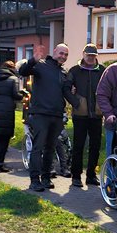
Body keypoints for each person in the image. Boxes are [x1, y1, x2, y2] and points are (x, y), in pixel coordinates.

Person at [18, 44, 76, 192]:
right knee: (38, 147)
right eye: (61, 53)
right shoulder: (41, 65)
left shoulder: (63, 72)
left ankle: (45, 178)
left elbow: (65, 92)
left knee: (50, 148)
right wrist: (32, 60)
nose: (63, 56)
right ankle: (34, 180)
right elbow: (22, 71)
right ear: (54, 51)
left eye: (66, 55)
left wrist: (77, 102)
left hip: (56, 115)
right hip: (41, 114)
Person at [67, 43, 105, 187]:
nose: (90, 58)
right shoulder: (75, 71)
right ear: (83, 54)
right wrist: (75, 103)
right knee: (78, 146)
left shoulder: (102, 70)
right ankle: (76, 176)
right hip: (80, 115)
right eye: (88, 55)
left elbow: (108, 89)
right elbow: (66, 88)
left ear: (96, 56)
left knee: (95, 146)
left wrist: (104, 106)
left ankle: (91, 176)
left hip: (96, 114)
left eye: (93, 55)